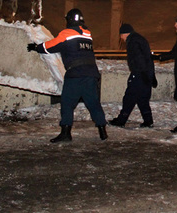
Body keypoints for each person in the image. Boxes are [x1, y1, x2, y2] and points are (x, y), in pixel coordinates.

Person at [27, 8, 108, 142]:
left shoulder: (67, 33)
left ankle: (65, 133)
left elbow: (51, 46)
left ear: (69, 20)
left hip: (75, 74)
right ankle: (102, 130)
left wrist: (36, 47)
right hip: (91, 74)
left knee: (67, 103)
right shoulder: (87, 34)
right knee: (93, 103)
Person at [108, 23, 157, 128]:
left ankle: (121, 120)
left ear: (125, 34)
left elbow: (138, 59)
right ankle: (148, 120)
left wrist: (140, 73)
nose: (121, 38)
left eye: (121, 35)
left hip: (139, 73)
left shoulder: (132, 41)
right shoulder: (140, 39)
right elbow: (148, 58)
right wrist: (151, 75)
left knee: (129, 96)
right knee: (142, 98)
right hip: (146, 73)